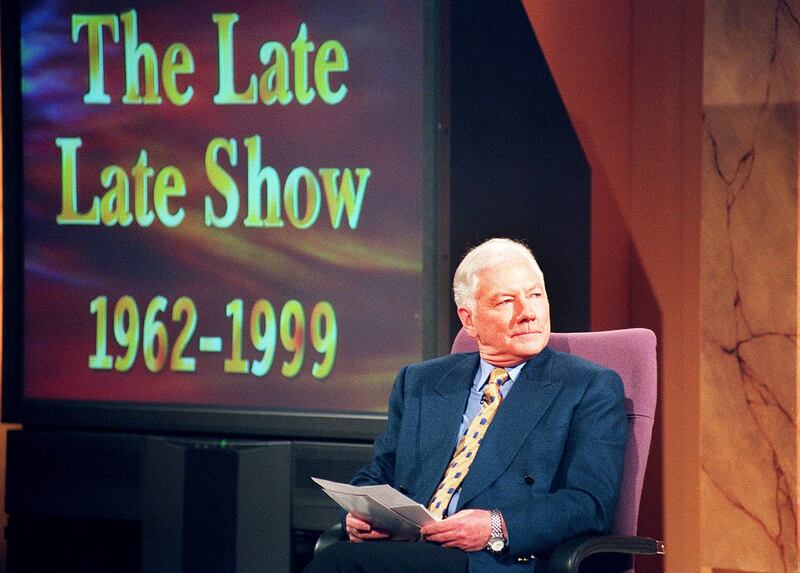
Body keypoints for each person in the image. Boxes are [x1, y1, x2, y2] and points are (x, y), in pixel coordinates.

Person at [306, 238, 627, 572]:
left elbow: (589, 504)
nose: (528, 313)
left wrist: (495, 526)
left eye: (535, 295)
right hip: (409, 549)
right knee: (343, 558)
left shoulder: (588, 386)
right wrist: (356, 517)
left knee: (341, 564)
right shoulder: (421, 382)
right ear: (469, 319)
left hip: (493, 560)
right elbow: (380, 472)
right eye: (506, 301)